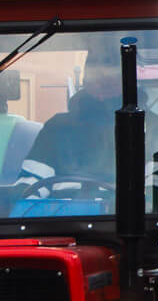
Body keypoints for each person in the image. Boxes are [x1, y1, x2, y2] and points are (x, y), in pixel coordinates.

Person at [16, 50, 123, 200]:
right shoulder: (57, 127)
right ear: (85, 81)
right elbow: (31, 182)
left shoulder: (151, 127)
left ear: (125, 82)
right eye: (95, 80)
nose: (100, 89)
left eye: (108, 82)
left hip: (126, 217)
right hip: (60, 218)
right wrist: (27, 213)